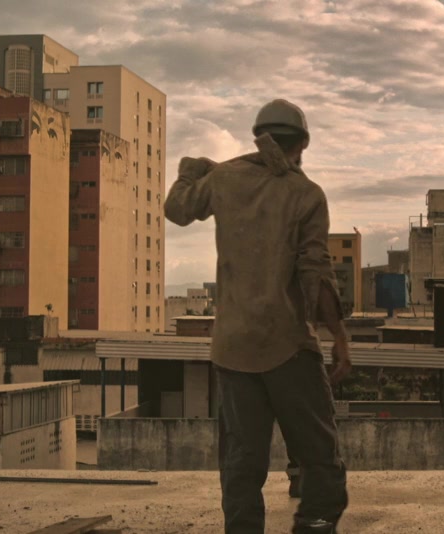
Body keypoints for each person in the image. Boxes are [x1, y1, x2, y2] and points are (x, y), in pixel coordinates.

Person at [165, 99, 350, 534]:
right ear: (303, 143)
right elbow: (316, 272)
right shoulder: (306, 194)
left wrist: (193, 169)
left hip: (233, 347)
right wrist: (340, 337)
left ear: (258, 136)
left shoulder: (224, 179)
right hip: (288, 345)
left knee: (241, 463)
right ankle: (314, 525)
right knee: (319, 455)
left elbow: (177, 209)